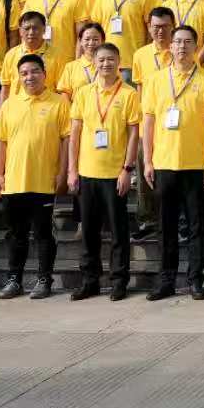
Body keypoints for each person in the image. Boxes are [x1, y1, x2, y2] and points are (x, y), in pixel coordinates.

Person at [141, 24, 204, 300]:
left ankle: (195, 279)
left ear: (196, 46)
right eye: (177, 42)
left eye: (188, 42)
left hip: (196, 165)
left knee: (197, 226)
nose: (182, 46)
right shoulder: (156, 80)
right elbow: (148, 122)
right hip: (164, 164)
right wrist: (147, 160)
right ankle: (166, 280)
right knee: (166, 226)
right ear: (170, 46)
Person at [68, 42, 143, 299]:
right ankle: (90, 280)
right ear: (94, 63)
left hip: (114, 174)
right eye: (101, 60)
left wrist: (127, 169)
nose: (106, 64)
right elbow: (75, 134)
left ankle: (119, 280)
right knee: (88, 232)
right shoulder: (83, 93)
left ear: (119, 62)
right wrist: (72, 170)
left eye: (111, 59)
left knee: (118, 232)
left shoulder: (129, 94)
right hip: (87, 172)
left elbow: (133, 135)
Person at [0, 52, 69, 299]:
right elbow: (1, 141)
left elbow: (66, 140)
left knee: (44, 234)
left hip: (44, 181)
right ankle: (14, 279)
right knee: (16, 234)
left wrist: (62, 172)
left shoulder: (59, 102)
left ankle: (44, 279)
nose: (29, 77)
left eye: (35, 71)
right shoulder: (9, 104)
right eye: (24, 73)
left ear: (45, 74)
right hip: (14, 182)